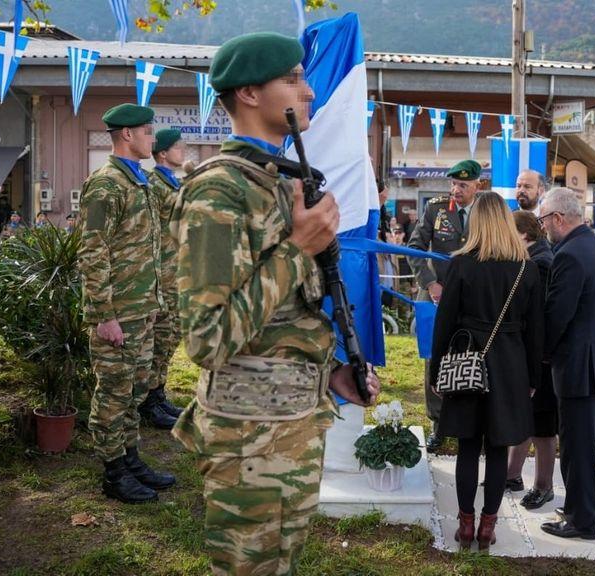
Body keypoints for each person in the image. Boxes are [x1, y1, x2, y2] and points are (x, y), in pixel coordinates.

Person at [168, 32, 380, 575]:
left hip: (290, 424)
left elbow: (283, 318)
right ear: (248, 93)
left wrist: (331, 372)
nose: (308, 92)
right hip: (249, 438)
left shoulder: (276, 181)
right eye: (293, 79)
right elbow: (207, 338)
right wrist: (298, 249)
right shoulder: (219, 192)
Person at [429, 192, 543, 551]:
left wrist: (437, 372)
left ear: (476, 223)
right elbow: (536, 330)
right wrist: (533, 378)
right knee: (497, 447)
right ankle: (487, 528)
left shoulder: (461, 265)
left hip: (466, 362)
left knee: (467, 445)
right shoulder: (526, 268)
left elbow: (444, 323)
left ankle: (465, 526)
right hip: (510, 365)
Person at [78, 103, 175, 504]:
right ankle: (113, 472)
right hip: (118, 313)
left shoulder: (140, 182)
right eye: (148, 132)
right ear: (128, 135)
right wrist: (105, 316)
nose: (153, 138)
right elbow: (92, 252)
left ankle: (130, 458)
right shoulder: (106, 185)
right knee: (113, 394)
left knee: (134, 392)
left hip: (143, 309)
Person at [539, 187, 595, 540]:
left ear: (558, 218)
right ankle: (585, 507)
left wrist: (540, 353)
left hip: (580, 366)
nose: (543, 227)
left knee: (577, 448)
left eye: (544, 220)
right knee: (582, 444)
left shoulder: (569, 254)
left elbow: (557, 315)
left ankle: (583, 520)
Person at [408, 159, 480, 453]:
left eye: (463, 184)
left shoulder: (484, 211)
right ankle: (437, 423)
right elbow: (414, 248)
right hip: (437, 295)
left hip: (471, 297)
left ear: (477, 185)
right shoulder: (436, 209)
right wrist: (429, 283)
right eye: (453, 183)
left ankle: (466, 421)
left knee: (469, 354)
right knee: (434, 356)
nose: (456, 189)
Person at [506, 211, 558, 510]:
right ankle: (512, 475)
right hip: (534, 354)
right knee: (527, 416)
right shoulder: (534, 258)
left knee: (543, 426)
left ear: (523, 234)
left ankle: (543, 486)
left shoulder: (540, 263)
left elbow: (540, 315)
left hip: (542, 357)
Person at [137, 128, 187, 430]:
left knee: (170, 337)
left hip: (177, 274)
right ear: (163, 153)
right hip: (162, 276)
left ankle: (158, 394)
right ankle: (148, 403)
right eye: (178, 147)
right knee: (158, 339)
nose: (184, 150)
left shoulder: (175, 183)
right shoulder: (155, 185)